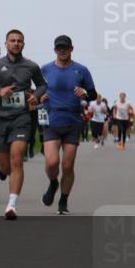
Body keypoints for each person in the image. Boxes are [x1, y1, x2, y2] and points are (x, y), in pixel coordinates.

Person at [0, 29, 48, 220]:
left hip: (21, 118)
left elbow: (42, 85)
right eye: (12, 40)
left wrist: (36, 95)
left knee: (17, 159)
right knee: (6, 167)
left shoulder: (31, 66)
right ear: (6, 43)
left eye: (19, 41)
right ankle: (2, 167)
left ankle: (11, 205)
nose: (16, 43)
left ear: (23, 44)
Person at [38, 35, 96, 215]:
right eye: (59, 48)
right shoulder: (45, 69)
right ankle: (53, 182)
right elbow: (36, 92)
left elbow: (93, 94)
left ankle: (63, 201)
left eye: (65, 48)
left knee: (68, 166)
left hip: (72, 120)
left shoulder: (81, 70)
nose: (62, 51)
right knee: (52, 162)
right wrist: (40, 98)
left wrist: (84, 94)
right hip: (52, 119)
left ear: (71, 49)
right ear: (55, 50)